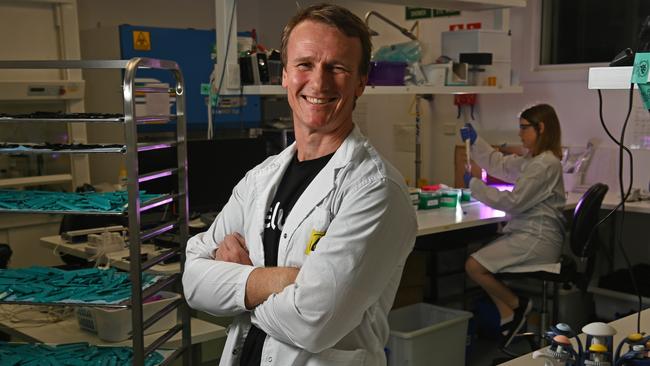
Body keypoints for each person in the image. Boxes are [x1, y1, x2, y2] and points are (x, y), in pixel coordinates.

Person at [182, 4, 417, 366]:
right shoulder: (260, 179)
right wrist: (282, 281)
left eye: (337, 68)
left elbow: (314, 321)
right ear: (285, 75)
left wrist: (236, 286)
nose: (318, 82)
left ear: (360, 81)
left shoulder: (376, 189)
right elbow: (194, 282)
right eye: (305, 64)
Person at [460, 103, 566, 348]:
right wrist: (478, 142)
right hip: (529, 234)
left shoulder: (545, 165)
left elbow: (514, 202)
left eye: (524, 128)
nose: (519, 134)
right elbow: (503, 165)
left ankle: (517, 306)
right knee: (478, 262)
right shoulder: (535, 160)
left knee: (474, 265)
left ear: (541, 128)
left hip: (537, 239)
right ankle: (509, 312)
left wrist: (475, 185)